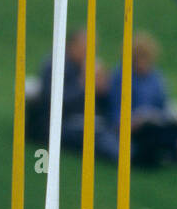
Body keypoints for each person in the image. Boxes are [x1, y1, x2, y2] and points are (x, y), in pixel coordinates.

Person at [108, 32, 177, 168]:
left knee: (172, 128)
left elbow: (163, 106)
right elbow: (115, 109)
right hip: (132, 127)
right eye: (140, 59)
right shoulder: (120, 76)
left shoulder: (156, 77)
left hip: (156, 122)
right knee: (151, 135)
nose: (145, 63)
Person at [31, 27, 117, 158]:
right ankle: (127, 156)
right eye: (86, 48)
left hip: (82, 121)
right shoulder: (55, 65)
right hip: (56, 124)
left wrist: (103, 88)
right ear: (72, 45)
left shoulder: (84, 66)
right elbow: (55, 102)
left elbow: (102, 105)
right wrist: (84, 85)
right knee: (95, 132)